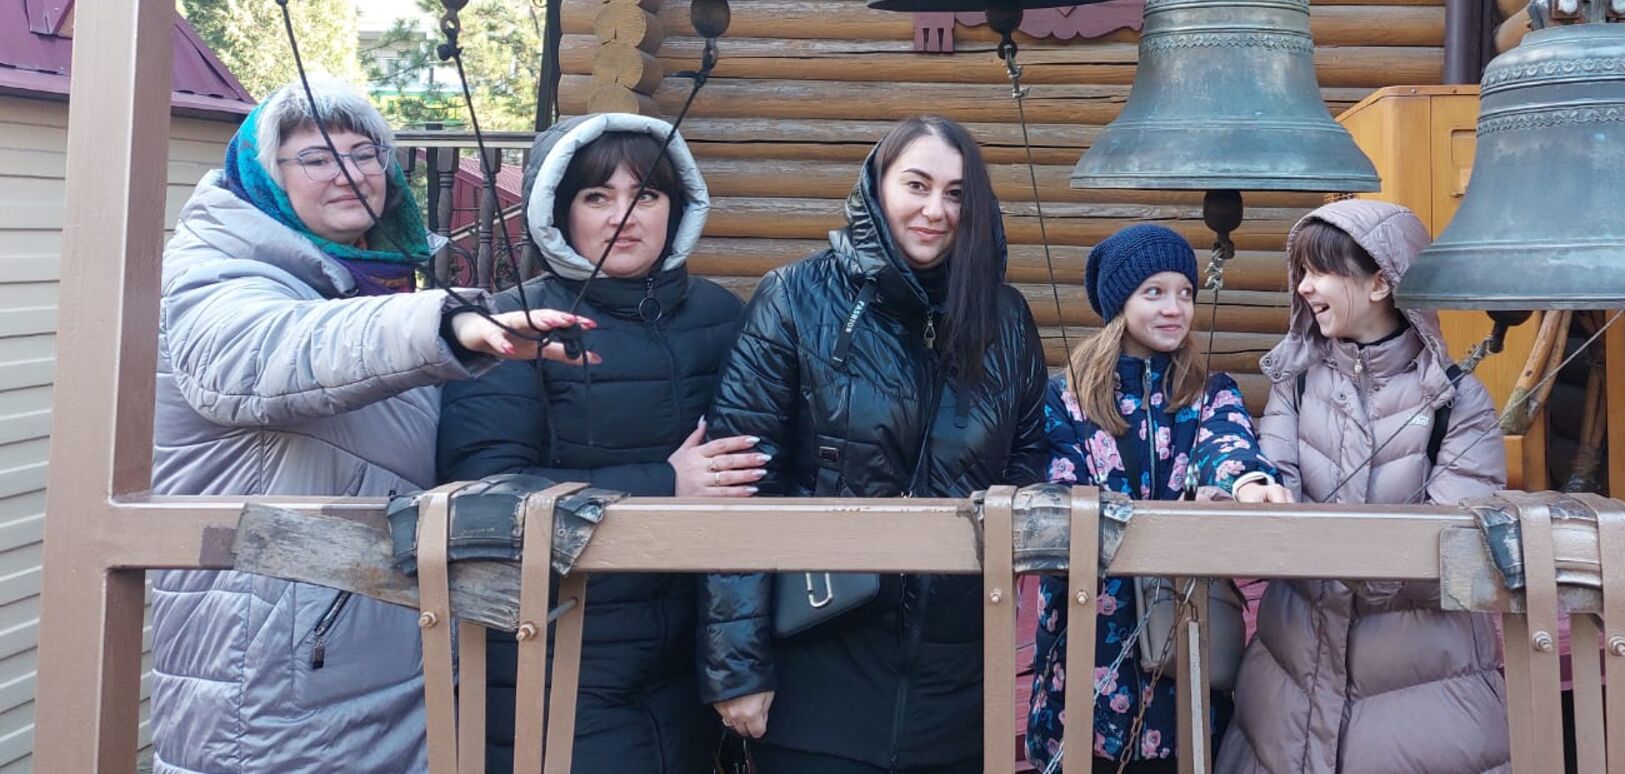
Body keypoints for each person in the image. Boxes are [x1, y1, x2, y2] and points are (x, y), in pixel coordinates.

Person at [150, 79, 591, 774]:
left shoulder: (358, 282)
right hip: (268, 683)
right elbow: (262, 351)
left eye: (364, 154)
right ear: (265, 176)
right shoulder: (218, 277)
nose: (349, 173)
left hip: (361, 657)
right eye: (316, 158)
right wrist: (448, 323)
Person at [700, 115, 1050, 773]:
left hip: (956, 680)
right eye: (917, 185)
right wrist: (739, 667)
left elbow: (1029, 457)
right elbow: (740, 486)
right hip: (818, 663)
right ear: (877, 186)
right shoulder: (794, 299)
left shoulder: (1004, 320)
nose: (935, 210)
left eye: (956, 194)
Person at [437, 113, 760, 771]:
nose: (623, 217)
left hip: (687, 669)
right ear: (559, 210)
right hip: (555, 663)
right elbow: (480, 500)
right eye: (596, 196)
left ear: (678, 207)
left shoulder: (722, 318)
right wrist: (667, 484)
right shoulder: (516, 326)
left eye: (646, 194)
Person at [1216, 201, 1510, 774]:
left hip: (1423, 692)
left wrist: (1326, 554)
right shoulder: (1295, 382)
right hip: (1288, 690)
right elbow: (1274, 492)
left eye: (1320, 271)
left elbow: (1455, 556)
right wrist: (1243, 494)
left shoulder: (1459, 403)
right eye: (1301, 272)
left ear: (1381, 281)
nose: (1304, 287)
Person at [1026, 223, 1292, 774]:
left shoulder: (1210, 392)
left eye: (1185, 293)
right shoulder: (1064, 399)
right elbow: (1057, 483)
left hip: (1183, 655)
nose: (1174, 308)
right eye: (1154, 292)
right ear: (1120, 301)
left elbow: (1226, 444)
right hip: (1087, 652)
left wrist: (1246, 481)